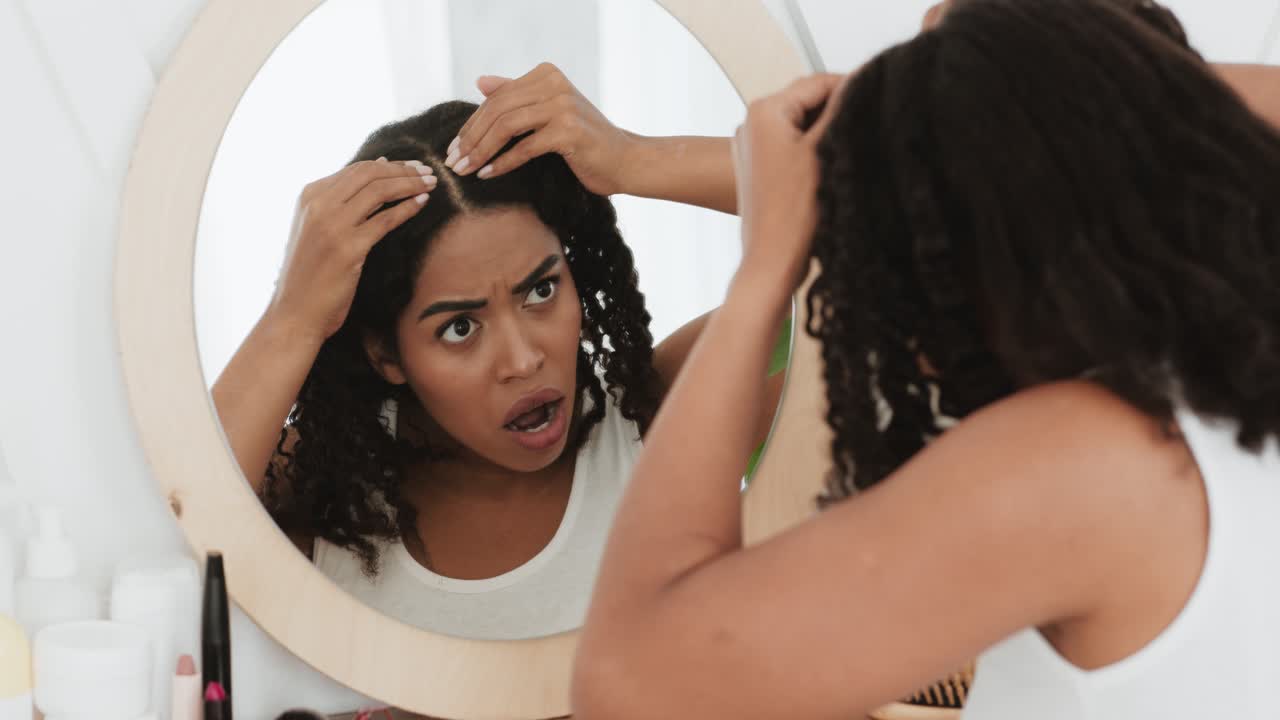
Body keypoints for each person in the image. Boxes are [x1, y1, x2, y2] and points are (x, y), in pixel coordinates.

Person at [571, 0, 1280, 718]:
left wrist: (762, 271)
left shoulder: (1090, 463)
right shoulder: (1242, 370)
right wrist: (1048, 67)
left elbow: (626, 684)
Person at [211, 74, 784, 639]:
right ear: (386, 353)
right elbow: (169, 534)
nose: (523, 359)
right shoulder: (323, 492)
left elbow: (868, 230)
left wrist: (633, 159)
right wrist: (291, 319)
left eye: (541, 290)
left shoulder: (662, 423)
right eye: (460, 327)